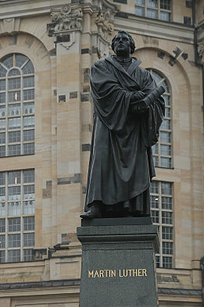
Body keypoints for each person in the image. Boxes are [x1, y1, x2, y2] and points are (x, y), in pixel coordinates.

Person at [81, 30, 166, 220]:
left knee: (135, 165)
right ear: (112, 46)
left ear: (131, 46)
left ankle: (132, 206)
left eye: (124, 40)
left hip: (134, 128)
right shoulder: (101, 67)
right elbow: (104, 89)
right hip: (108, 123)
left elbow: (156, 99)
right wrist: (131, 97)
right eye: (117, 40)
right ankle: (97, 205)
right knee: (101, 159)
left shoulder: (143, 74)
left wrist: (145, 106)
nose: (120, 42)